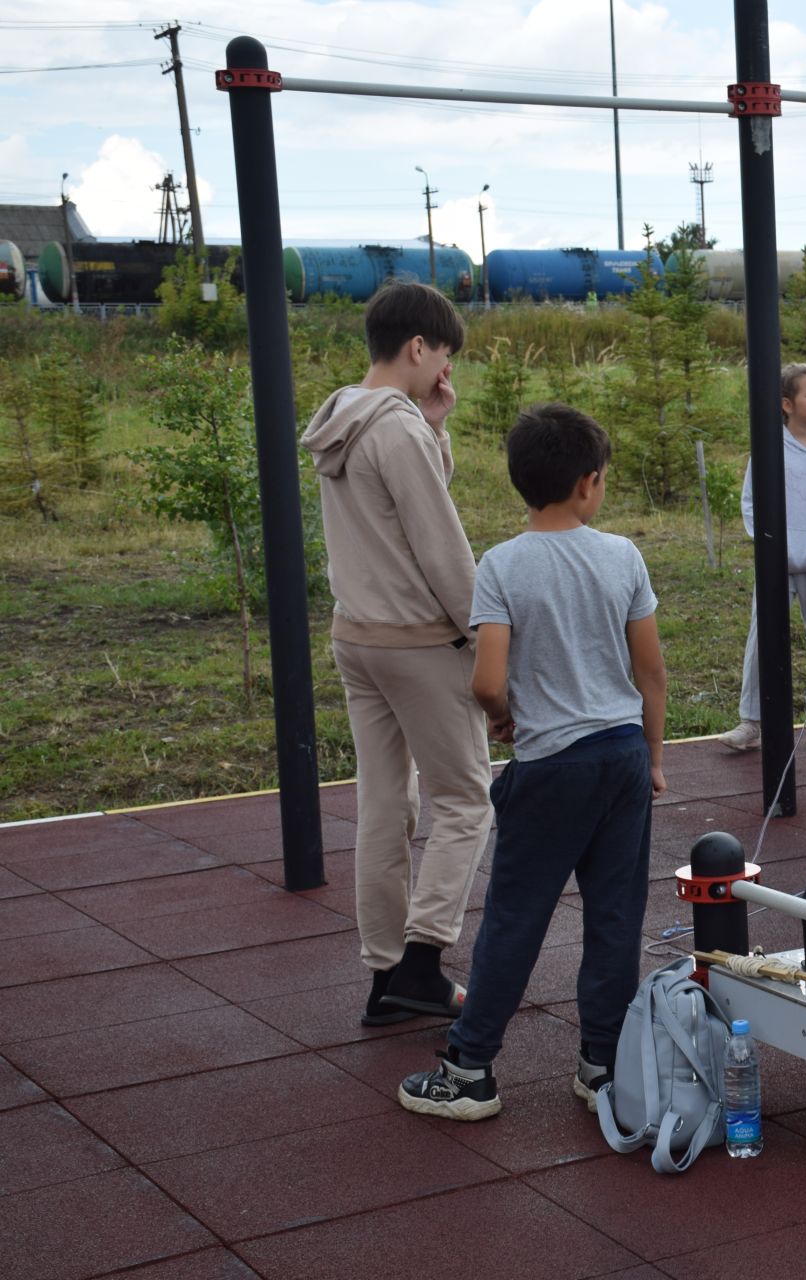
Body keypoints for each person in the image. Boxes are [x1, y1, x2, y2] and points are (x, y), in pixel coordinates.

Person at [399, 403, 668, 1121]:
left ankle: (470, 1070)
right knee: (616, 917)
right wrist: (655, 758)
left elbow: (487, 679)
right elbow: (652, 673)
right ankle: (602, 1064)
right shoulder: (623, 557)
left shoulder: (502, 564)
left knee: (516, 918)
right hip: (620, 756)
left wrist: (501, 716)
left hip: (551, 765)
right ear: (589, 484)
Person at [301, 281, 492, 1029]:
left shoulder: (343, 417)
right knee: (465, 801)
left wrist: (435, 426)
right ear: (421, 347)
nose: (443, 371)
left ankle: (384, 973)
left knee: (385, 804)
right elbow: (441, 550)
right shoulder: (397, 431)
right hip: (417, 643)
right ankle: (423, 960)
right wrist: (487, 643)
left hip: (357, 637)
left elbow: (392, 509)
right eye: (442, 356)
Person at [718, 363, 806, 754]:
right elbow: (752, 503)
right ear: (786, 403)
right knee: (762, 638)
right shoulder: (769, 448)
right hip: (775, 563)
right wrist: (770, 545)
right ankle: (751, 720)